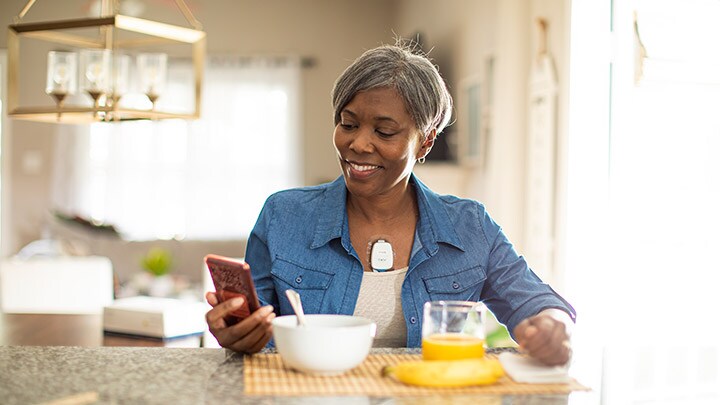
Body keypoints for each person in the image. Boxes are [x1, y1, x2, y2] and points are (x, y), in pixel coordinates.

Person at [205, 42, 576, 366]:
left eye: (384, 132)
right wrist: (237, 334)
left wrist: (551, 326)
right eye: (348, 125)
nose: (359, 145)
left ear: (426, 142)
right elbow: (253, 329)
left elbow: (537, 302)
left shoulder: (469, 226)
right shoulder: (284, 216)